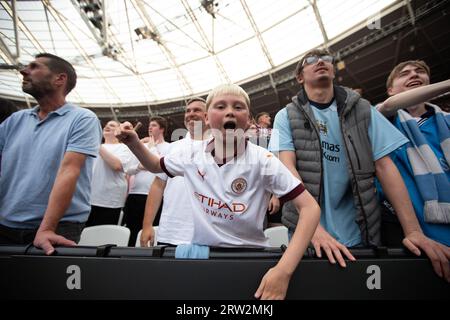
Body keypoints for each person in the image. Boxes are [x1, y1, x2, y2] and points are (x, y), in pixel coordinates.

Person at [116, 84, 320, 300]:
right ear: (206, 118)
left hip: (250, 260)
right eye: (220, 106)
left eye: (238, 107)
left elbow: (309, 208)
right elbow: (156, 165)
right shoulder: (191, 154)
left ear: (249, 120)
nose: (230, 111)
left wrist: (283, 270)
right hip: (203, 259)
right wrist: (134, 143)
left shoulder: (263, 160)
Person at [269, 49, 450, 282]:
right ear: (300, 77)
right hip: (307, 235)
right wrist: (313, 231)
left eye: (326, 59)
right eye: (311, 60)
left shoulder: (362, 109)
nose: (320, 62)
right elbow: (287, 170)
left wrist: (413, 231)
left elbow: (384, 167)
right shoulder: (285, 115)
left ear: (334, 70)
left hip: (360, 233)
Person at [0, 53, 102, 254]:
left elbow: (69, 171)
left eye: (34, 67)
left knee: (41, 286)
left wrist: (46, 228)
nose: (24, 71)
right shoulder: (15, 120)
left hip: (57, 226)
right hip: (6, 223)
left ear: (60, 79)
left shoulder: (82, 119)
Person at [377, 60, 450, 247]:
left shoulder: (446, 121)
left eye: (419, 72)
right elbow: (390, 105)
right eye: (404, 73)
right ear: (390, 90)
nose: (414, 75)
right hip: (415, 232)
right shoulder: (384, 120)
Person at [140, 98, 209, 247]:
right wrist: (147, 225)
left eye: (196, 110)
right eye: (188, 111)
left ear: (208, 115)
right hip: (171, 231)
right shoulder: (172, 148)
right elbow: (158, 185)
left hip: (207, 234)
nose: (190, 114)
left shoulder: (221, 148)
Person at [124, 116, 170, 246]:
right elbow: (127, 169)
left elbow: (161, 167)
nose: (150, 127)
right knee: (132, 232)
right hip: (135, 195)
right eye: (149, 125)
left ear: (162, 129)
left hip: (156, 197)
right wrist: (139, 166)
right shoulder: (140, 146)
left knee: (152, 232)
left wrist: (152, 148)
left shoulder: (169, 147)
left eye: (154, 125)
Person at [86, 120, 132, 227]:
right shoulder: (92, 147)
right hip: (87, 199)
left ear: (118, 130)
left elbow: (117, 165)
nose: (107, 127)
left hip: (109, 201)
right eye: (106, 125)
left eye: (112, 125)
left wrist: (97, 145)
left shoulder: (124, 148)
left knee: (103, 237)